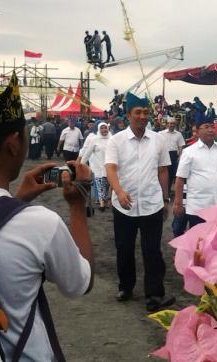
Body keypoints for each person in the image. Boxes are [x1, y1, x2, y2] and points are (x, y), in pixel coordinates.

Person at [0, 73, 94, 360]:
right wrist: (77, 206)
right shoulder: (39, 224)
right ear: (14, 143)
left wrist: (12, 204)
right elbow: (80, 283)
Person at [105, 92, 175, 311]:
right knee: (124, 248)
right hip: (123, 205)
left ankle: (154, 294)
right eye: (138, 112)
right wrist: (118, 191)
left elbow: (163, 170)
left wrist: (165, 199)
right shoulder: (116, 141)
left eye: (146, 112)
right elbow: (111, 168)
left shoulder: (158, 140)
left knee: (152, 250)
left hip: (152, 204)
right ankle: (126, 286)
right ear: (128, 115)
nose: (143, 116)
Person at [174, 116, 217, 228]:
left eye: (212, 127)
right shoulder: (189, 152)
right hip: (198, 208)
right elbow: (180, 178)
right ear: (197, 131)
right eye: (206, 127)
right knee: (199, 242)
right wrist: (178, 204)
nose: (211, 130)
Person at [81, 122, 110, 211]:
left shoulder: (112, 139)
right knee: (100, 185)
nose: (104, 130)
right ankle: (101, 205)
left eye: (105, 128)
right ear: (98, 129)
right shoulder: (95, 140)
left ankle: (104, 201)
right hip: (98, 168)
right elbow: (87, 153)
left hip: (109, 168)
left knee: (106, 186)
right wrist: (81, 164)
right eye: (102, 128)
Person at [159, 117, 185, 194]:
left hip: (173, 155)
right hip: (163, 154)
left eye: (173, 123)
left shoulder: (179, 134)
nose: (171, 125)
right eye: (170, 123)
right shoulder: (161, 133)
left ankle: (168, 192)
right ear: (167, 124)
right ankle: (161, 192)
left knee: (171, 174)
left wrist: (179, 156)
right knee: (161, 173)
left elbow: (181, 146)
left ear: (175, 124)